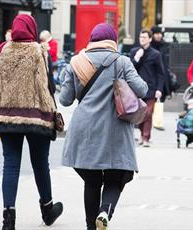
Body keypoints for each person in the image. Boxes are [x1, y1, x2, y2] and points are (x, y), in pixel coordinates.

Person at [59, 23, 148, 230]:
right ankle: (105, 212)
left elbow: (65, 100)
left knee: (91, 181)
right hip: (114, 129)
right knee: (116, 177)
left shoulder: (76, 62)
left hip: (85, 130)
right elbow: (142, 89)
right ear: (112, 41)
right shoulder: (122, 61)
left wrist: (68, 76)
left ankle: (92, 227)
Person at [0, 14, 63, 230]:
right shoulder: (39, 51)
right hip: (36, 116)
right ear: (32, 29)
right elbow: (47, 87)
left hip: (7, 115)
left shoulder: (3, 50)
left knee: (10, 165)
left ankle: (8, 219)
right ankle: (47, 209)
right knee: (40, 164)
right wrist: (52, 114)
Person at [129, 29, 165, 147]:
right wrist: (137, 58)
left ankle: (145, 137)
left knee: (148, 113)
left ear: (150, 39)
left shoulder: (156, 54)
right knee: (139, 114)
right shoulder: (134, 52)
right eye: (141, 37)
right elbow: (129, 70)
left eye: (144, 37)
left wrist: (159, 89)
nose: (142, 39)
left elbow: (160, 73)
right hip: (136, 89)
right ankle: (141, 134)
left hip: (151, 88)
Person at [151, 26, 173, 104]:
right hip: (151, 81)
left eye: (160, 33)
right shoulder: (148, 47)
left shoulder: (164, 46)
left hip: (163, 80)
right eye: (157, 33)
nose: (159, 35)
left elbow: (165, 65)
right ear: (152, 35)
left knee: (159, 107)